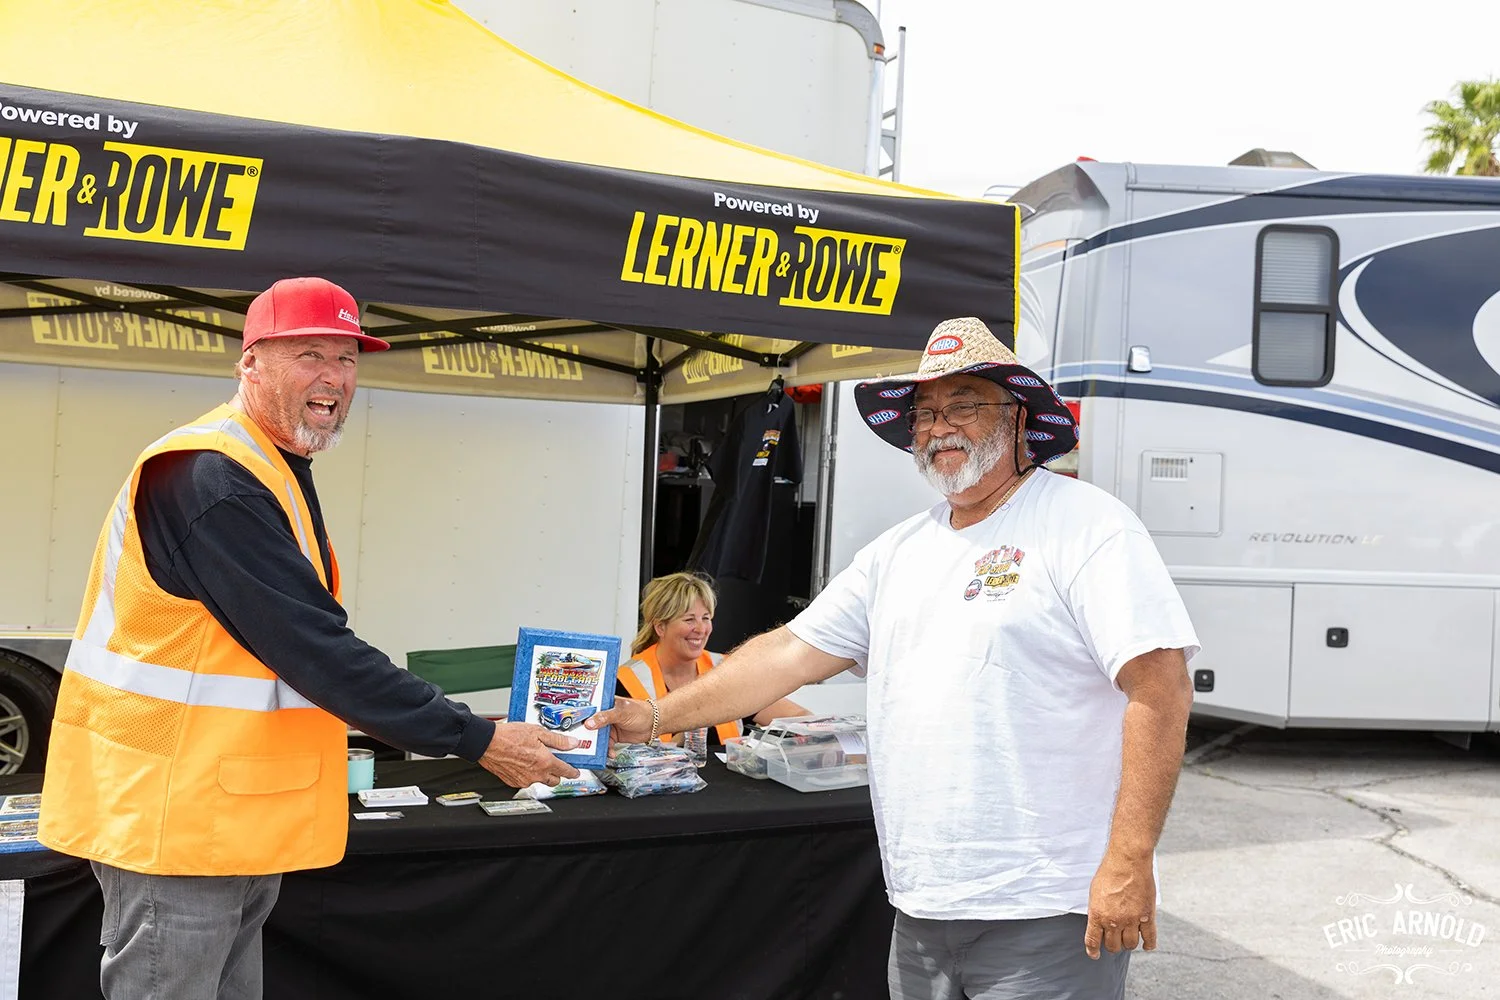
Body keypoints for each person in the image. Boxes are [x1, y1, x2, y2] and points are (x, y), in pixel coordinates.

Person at [591, 317, 1199, 1000]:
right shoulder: (898, 551)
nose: (939, 427)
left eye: (963, 405)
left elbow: (1161, 689)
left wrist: (1129, 860)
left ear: (1019, 416)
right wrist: (655, 716)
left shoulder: (1088, 525)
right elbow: (786, 655)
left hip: (1046, 906)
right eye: (925, 413)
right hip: (919, 905)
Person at [37, 277, 579, 1000]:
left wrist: (462, 727)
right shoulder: (211, 479)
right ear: (250, 363)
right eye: (310, 355)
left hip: (227, 813)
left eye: (348, 358)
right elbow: (317, 650)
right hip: (173, 820)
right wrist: (475, 737)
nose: (335, 377)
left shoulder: (268, 466)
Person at [618, 572, 806, 745]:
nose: (701, 629)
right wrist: (681, 738)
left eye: (706, 618)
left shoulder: (729, 670)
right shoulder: (624, 681)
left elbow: (799, 717)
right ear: (660, 627)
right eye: (689, 619)